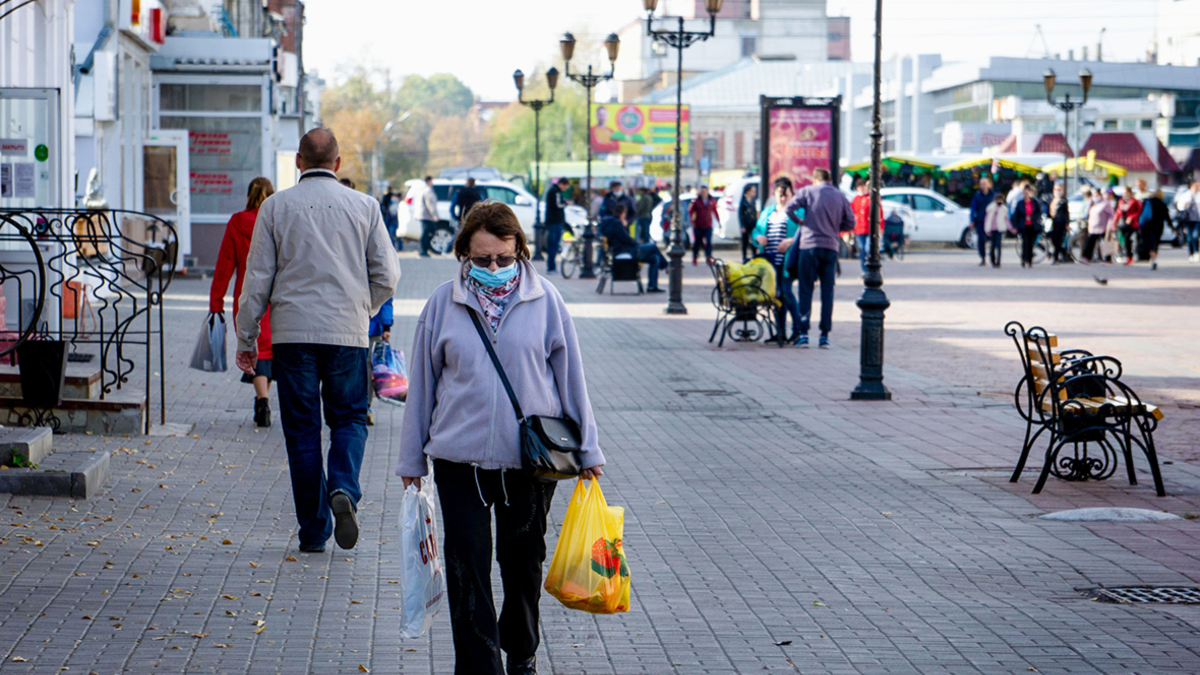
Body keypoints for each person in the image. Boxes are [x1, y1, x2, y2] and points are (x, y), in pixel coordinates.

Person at [396, 201, 603, 675]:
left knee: (524, 563)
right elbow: (422, 387)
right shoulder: (441, 305)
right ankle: (478, 666)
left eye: (503, 258)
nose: (493, 268)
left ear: (519, 251)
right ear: (464, 254)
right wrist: (412, 460)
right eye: (482, 259)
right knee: (467, 564)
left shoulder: (546, 299)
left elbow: (572, 379)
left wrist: (589, 448)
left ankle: (521, 649)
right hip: (458, 459)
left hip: (529, 461)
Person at [235, 128, 401, 554]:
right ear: (339, 164)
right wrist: (362, 308)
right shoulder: (364, 207)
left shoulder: (275, 208)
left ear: (298, 161)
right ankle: (343, 486)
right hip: (347, 333)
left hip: (292, 335)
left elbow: (257, 281)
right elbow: (389, 275)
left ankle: (313, 530)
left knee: (303, 432)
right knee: (349, 418)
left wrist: (247, 336)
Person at [210, 177, 276, 428]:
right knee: (268, 351)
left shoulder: (237, 223)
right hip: (274, 296)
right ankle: (264, 398)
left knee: (254, 347)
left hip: (246, 296)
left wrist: (216, 304)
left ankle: (262, 400)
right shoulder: (277, 222)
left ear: (249, 195)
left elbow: (224, 267)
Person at [783, 167, 855, 349]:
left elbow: (789, 208)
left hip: (809, 246)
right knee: (827, 292)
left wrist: (800, 222)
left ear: (815, 180)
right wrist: (835, 228)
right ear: (829, 180)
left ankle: (804, 334)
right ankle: (824, 335)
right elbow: (851, 222)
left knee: (806, 289)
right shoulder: (839, 196)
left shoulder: (807, 192)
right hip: (830, 248)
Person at [751, 177, 801, 341]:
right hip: (770, 262)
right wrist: (758, 237)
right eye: (780, 194)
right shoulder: (768, 212)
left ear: (791, 194)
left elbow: (806, 232)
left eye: (786, 194)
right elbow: (756, 230)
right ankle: (780, 332)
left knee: (786, 292)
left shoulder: (797, 212)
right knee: (775, 296)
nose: (783, 198)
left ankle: (798, 329)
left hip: (788, 261)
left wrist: (790, 241)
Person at [599, 203, 667, 292]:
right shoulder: (616, 224)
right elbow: (626, 239)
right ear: (623, 213)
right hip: (626, 251)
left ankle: (652, 286)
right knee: (653, 246)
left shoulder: (609, 223)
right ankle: (666, 265)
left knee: (655, 258)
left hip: (621, 250)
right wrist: (636, 243)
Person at [365, 298, 393, 426]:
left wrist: (386, 325)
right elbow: (386, 297)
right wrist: (386, 325)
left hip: (364, 325)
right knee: (368, 367)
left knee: (366, 367)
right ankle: (364, 407)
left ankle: (363, 406)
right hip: (372, 325)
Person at [850, 178, 882, 272]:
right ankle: (864, 270)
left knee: (869, 249)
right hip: (859, 229)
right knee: (862, 250)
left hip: (870, 229)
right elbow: (851, 214)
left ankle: (872, 266)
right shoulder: (855, 200)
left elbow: (879, 212)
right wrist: (851, 228)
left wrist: (881, 226)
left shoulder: (871, 198)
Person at [1009, 184, 1043, 268]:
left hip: (1032, 225)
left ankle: (1029, 260)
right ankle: (1024, 259)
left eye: (1027, 193)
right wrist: (1015, 226)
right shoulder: (1020, 203)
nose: (1026, 195)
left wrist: (1031, 217)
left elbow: (1038, 213)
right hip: (1023, 225)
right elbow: (1016, 215)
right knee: (1025, 242)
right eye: (1025, 193)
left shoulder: (1034, 202)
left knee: (1031, 243)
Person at [543, 177, 570, 274]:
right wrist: (566, 203)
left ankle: (552, 267)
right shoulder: (555, 192)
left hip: (554, 222)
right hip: (555, 222)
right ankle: (551, 267)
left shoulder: (553, 191)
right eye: (566, 186)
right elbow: (557, 205)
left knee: (553, 245)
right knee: (553, 245)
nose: (565, 189)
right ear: (562, 184)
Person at [1138, 188, 1169, 270]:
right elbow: (1167, 217)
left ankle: (1152, 259)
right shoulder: (1163, 204)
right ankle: (1154, 259)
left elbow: (1142, 214)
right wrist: (1172, 227)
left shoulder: (1147, 202)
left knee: (1149, 243)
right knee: (1155, 243)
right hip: (1158, 227)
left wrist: (1140, 225)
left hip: (1147, 226)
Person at [1082, 188, 1115, 263]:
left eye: (1097, 195)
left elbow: (1111, 215)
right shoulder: (1093, 204)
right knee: (1090, 243)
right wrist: (1090, 202)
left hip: (1103, 227)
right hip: (1093, 227)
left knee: (1106, 242)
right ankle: (1087, 257)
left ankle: (1108, 259)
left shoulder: (1105, 203)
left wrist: (1110, 226)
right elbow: (1086, 212)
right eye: (1094, 195)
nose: (1095, 197)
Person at [968, 176, 996, 266]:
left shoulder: (994, 195)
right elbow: (973, 208)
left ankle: (992, 255)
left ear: (989, 184)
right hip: (981, 220)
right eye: (981, 184)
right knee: (981, 240)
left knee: (993, 240)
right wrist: (972, 220)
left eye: (984, 184)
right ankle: (983, 257)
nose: (983, 186)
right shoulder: (977, 195)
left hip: (992, 222)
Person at [688, 185, 718, 265]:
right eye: (702, 192)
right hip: (698, 225)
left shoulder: (712, 201)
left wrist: (718, 221)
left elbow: (715, 211)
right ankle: (695, 257)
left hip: (708, 225)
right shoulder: (696, 201)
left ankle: (708, 257)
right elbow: (691, 211)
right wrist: (691, 221)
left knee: (709, 242)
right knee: (697, 243)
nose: (703, 193)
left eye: (705, 191)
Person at [1114, 186, 1142, 265]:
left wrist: (1131, 217)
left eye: (1126, 192)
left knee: (1127, 239)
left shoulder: (1134, 201)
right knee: (1122, 240)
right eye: (1124, 193)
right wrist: (1114, 223)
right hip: (1122, 223)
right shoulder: (1121, 201)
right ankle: (1125, 254)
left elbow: (1139, 212)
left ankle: (1130, 257)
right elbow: (1118, 212)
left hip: (1132, 224)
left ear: (1130, 193)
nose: (1125, 194)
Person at [984, 192, 1012, 268]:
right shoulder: (991, 208)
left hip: (1000, 228)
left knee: (998, 245)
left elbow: (1006, 219)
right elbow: (987, 219)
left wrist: (1010, 228)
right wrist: (987, 229)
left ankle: (998, 261)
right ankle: (992, 259)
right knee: (992, 245)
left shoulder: (1004, 209)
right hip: (992, 229)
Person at [413, 176, 439, 258]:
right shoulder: (428, 191)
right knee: (428, 232)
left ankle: (423, 249)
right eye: (432, 181)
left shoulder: (421, 189)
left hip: (422, 214)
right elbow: (430, 204)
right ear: (428, 181)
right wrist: (435, 215)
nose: (433, 183)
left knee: (426, 232)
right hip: (426, 215)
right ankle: (423, 249)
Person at [1047, 183, 1071, 263]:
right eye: (1056, 189)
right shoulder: (1051, 199)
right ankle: (1064, 253)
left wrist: (1067, 223)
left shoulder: (1063, 200)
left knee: (1058, 240)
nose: (1057, 191)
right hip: (1052, 222)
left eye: (1059, 189)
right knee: (1053, 239)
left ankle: (1055, 257)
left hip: (1060, 222)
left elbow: (1066, 212)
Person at [1177, 181, 1200, 261]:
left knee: (1195, 235)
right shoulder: (1186, 195)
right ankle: (1191, 254)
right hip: (1187, 220)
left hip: (1197, 220)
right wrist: (1185, 205)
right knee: (1189, 237)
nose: (1197, 187)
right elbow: (1179, 206)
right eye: (1196, 186)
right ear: (1191, 186)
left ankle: (1196, 252)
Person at [738, 184, 759, 262]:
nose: (754, 193)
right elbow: (740, 214)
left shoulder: (754, 201)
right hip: (746, 224)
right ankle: (744, 256)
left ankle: (754, 255)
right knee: (745, 241)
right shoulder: (743, 202)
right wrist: (742, 225)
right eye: (753, 191)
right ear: (748, 192)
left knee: (753, 239)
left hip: (753, 223)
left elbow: (755, 212)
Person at [380, 185, 402, 251]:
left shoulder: (387, 196)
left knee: (391, 234)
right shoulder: (392, 198)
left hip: (390, 218)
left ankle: (393, 248)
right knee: (393, 234)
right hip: (391, 218)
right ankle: (394, 248)